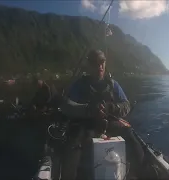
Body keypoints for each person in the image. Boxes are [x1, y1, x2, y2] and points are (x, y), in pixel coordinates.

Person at [60, 49, 144, 180]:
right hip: (85, 125)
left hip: (109, 123)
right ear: (88, 65)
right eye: (94, 62)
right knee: (72, 148)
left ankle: (139, 174)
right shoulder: (79, 85)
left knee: (131, 136)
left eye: (102, 62)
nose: (99, 66)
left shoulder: (113, 84)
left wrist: (113, 107)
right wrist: (88, 109)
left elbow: (126, 105)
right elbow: (66, 106)